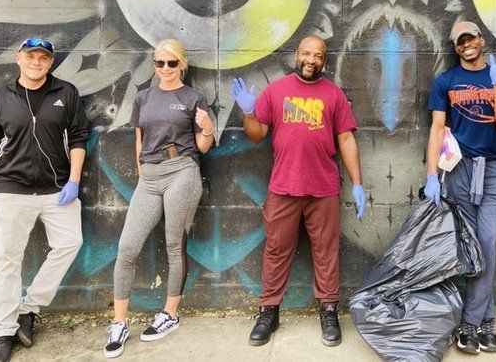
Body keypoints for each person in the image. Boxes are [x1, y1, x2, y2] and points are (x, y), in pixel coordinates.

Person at [231, 35, 366, 348]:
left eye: (318, 56)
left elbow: (346, 139)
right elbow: (256, 136)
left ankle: (329, 308)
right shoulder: (276, 91)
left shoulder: (333, 94)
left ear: (324, 60)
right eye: (306, 53)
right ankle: (269, 311)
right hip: (284, 186)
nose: (311, 60)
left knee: (326, 251)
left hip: (323, 188)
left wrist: (357, 183)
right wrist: (249, 113)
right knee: (277, 249)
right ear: (297, 55)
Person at [0, 37, 88, 362]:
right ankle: (3, 332)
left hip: (57, 190)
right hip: (12, 188)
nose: (36, 62)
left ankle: (30, 307)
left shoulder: (66, 93)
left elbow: (79, 138)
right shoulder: (1, 98)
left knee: (70, 243)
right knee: (7, 259)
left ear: (50, 62)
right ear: (18, 59)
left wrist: (74, 181)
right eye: (31, 56)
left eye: (43, 58)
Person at [103, 39, 214, 358]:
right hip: (150, 177)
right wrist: (142, 169)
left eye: (171, 63)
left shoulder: (193, 97)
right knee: (127, 248)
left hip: (182, 170)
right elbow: (139, 139)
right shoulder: (143, 97)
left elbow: (203, 146)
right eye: (159, 63)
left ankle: (170, 314)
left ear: (182, 65)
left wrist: (206, 130)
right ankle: (119, 322)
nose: (165, 69)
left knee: (173, 244)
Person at [424, 21, 496, 355]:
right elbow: (437, 129)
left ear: (481, 39)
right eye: (460, 40)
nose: (466, 44)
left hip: (493, 171)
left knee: (487, 239)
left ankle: (469, 324)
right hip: (459, 169)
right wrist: (431, 175)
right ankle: (488, 324)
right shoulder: (446, 81)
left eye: (471, 37)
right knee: (474, 246)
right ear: (456, 46)